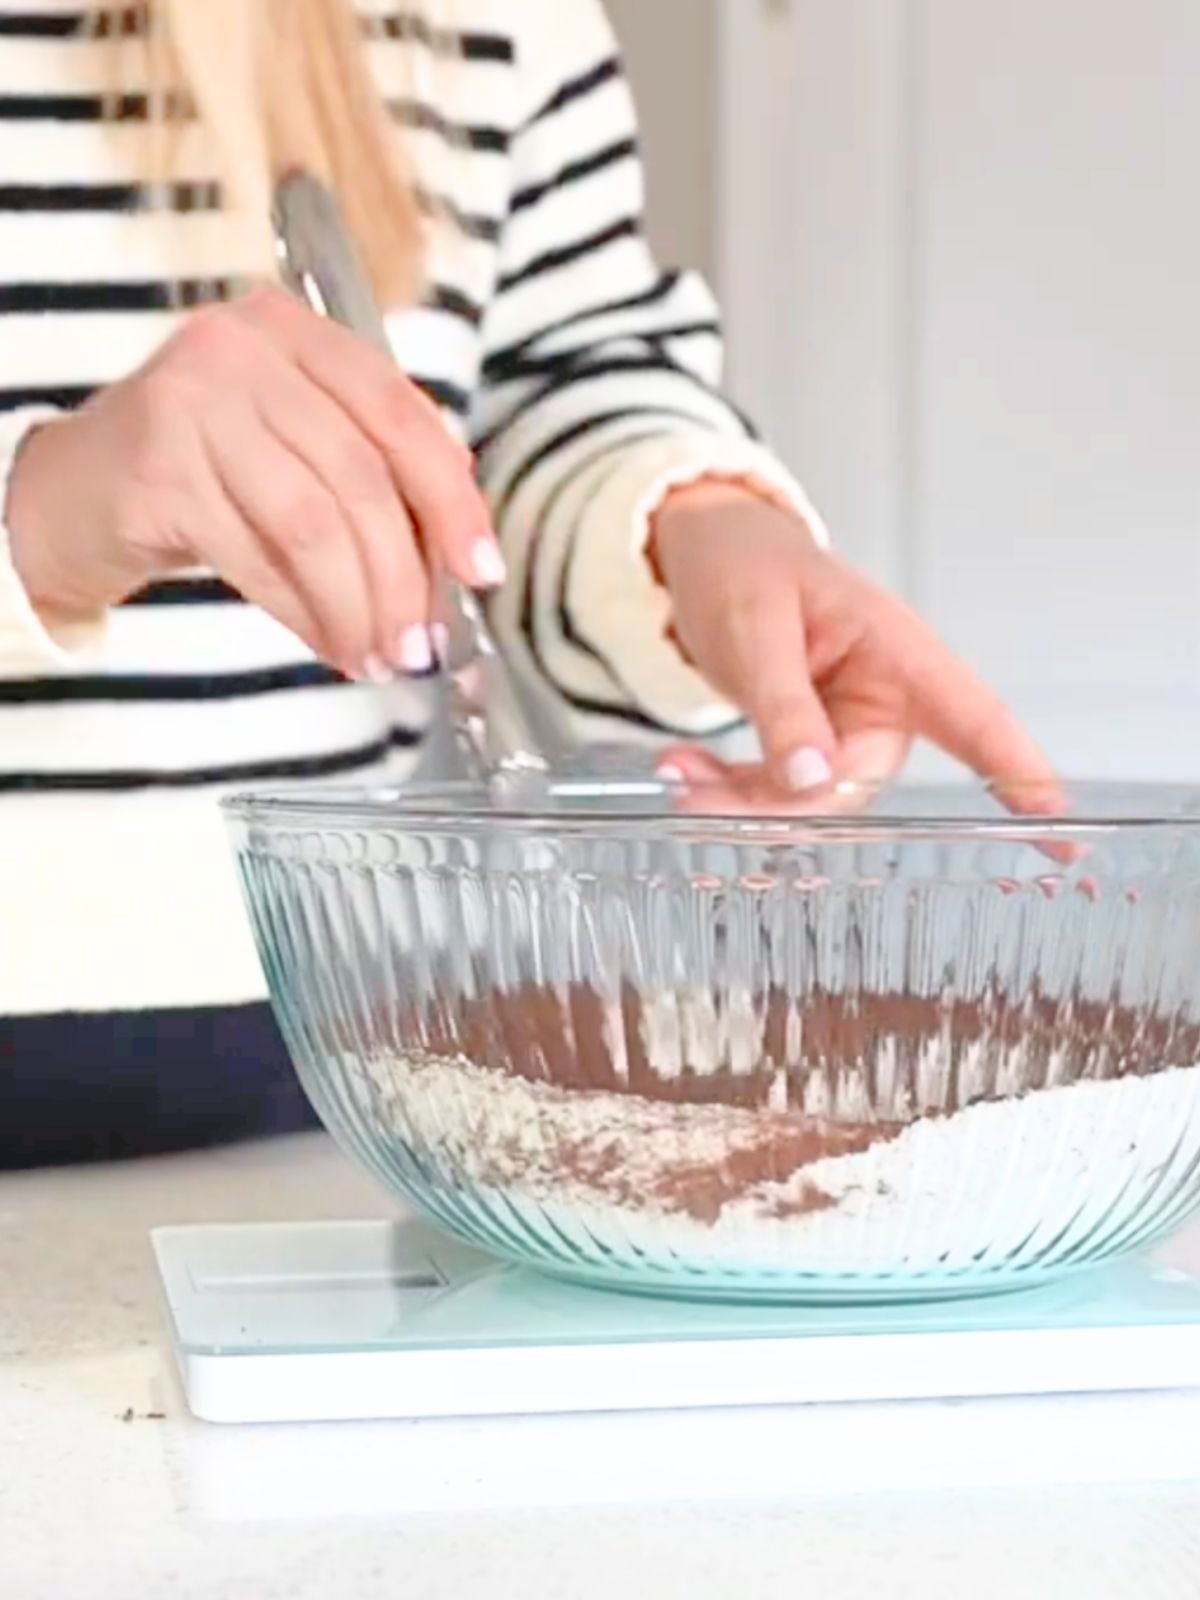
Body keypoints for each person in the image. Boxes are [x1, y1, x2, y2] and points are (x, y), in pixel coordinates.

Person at [0, 0, 1054, 1168]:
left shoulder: (496, 24)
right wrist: (38, 523)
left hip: (315, 1064)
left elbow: (562, 385)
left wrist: (686, 531)